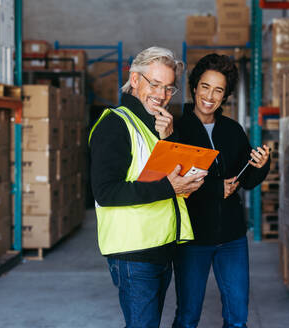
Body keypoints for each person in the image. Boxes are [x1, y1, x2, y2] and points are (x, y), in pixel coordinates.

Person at [88, 46, 207, 328]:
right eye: (155, 84)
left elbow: (162, 176)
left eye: (168, 88)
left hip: (160, 248)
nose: (161, 95)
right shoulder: (115, 125)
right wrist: (170, 187)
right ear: (135, 78)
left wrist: (169, 140)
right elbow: (105, 192)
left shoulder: (156, 126)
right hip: (134, 253)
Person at [172, 54, 271, 328]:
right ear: (194, 87)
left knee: (238, 318)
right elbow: (172, 183)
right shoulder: (177, 130)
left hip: (232, 238)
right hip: (192, 238)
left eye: (218, 90)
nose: (210, 96)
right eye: (205, 86)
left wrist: (261, 165)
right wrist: (216, 188)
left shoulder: (232, 130)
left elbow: (247, 179)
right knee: (188, 316)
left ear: (225, 95)